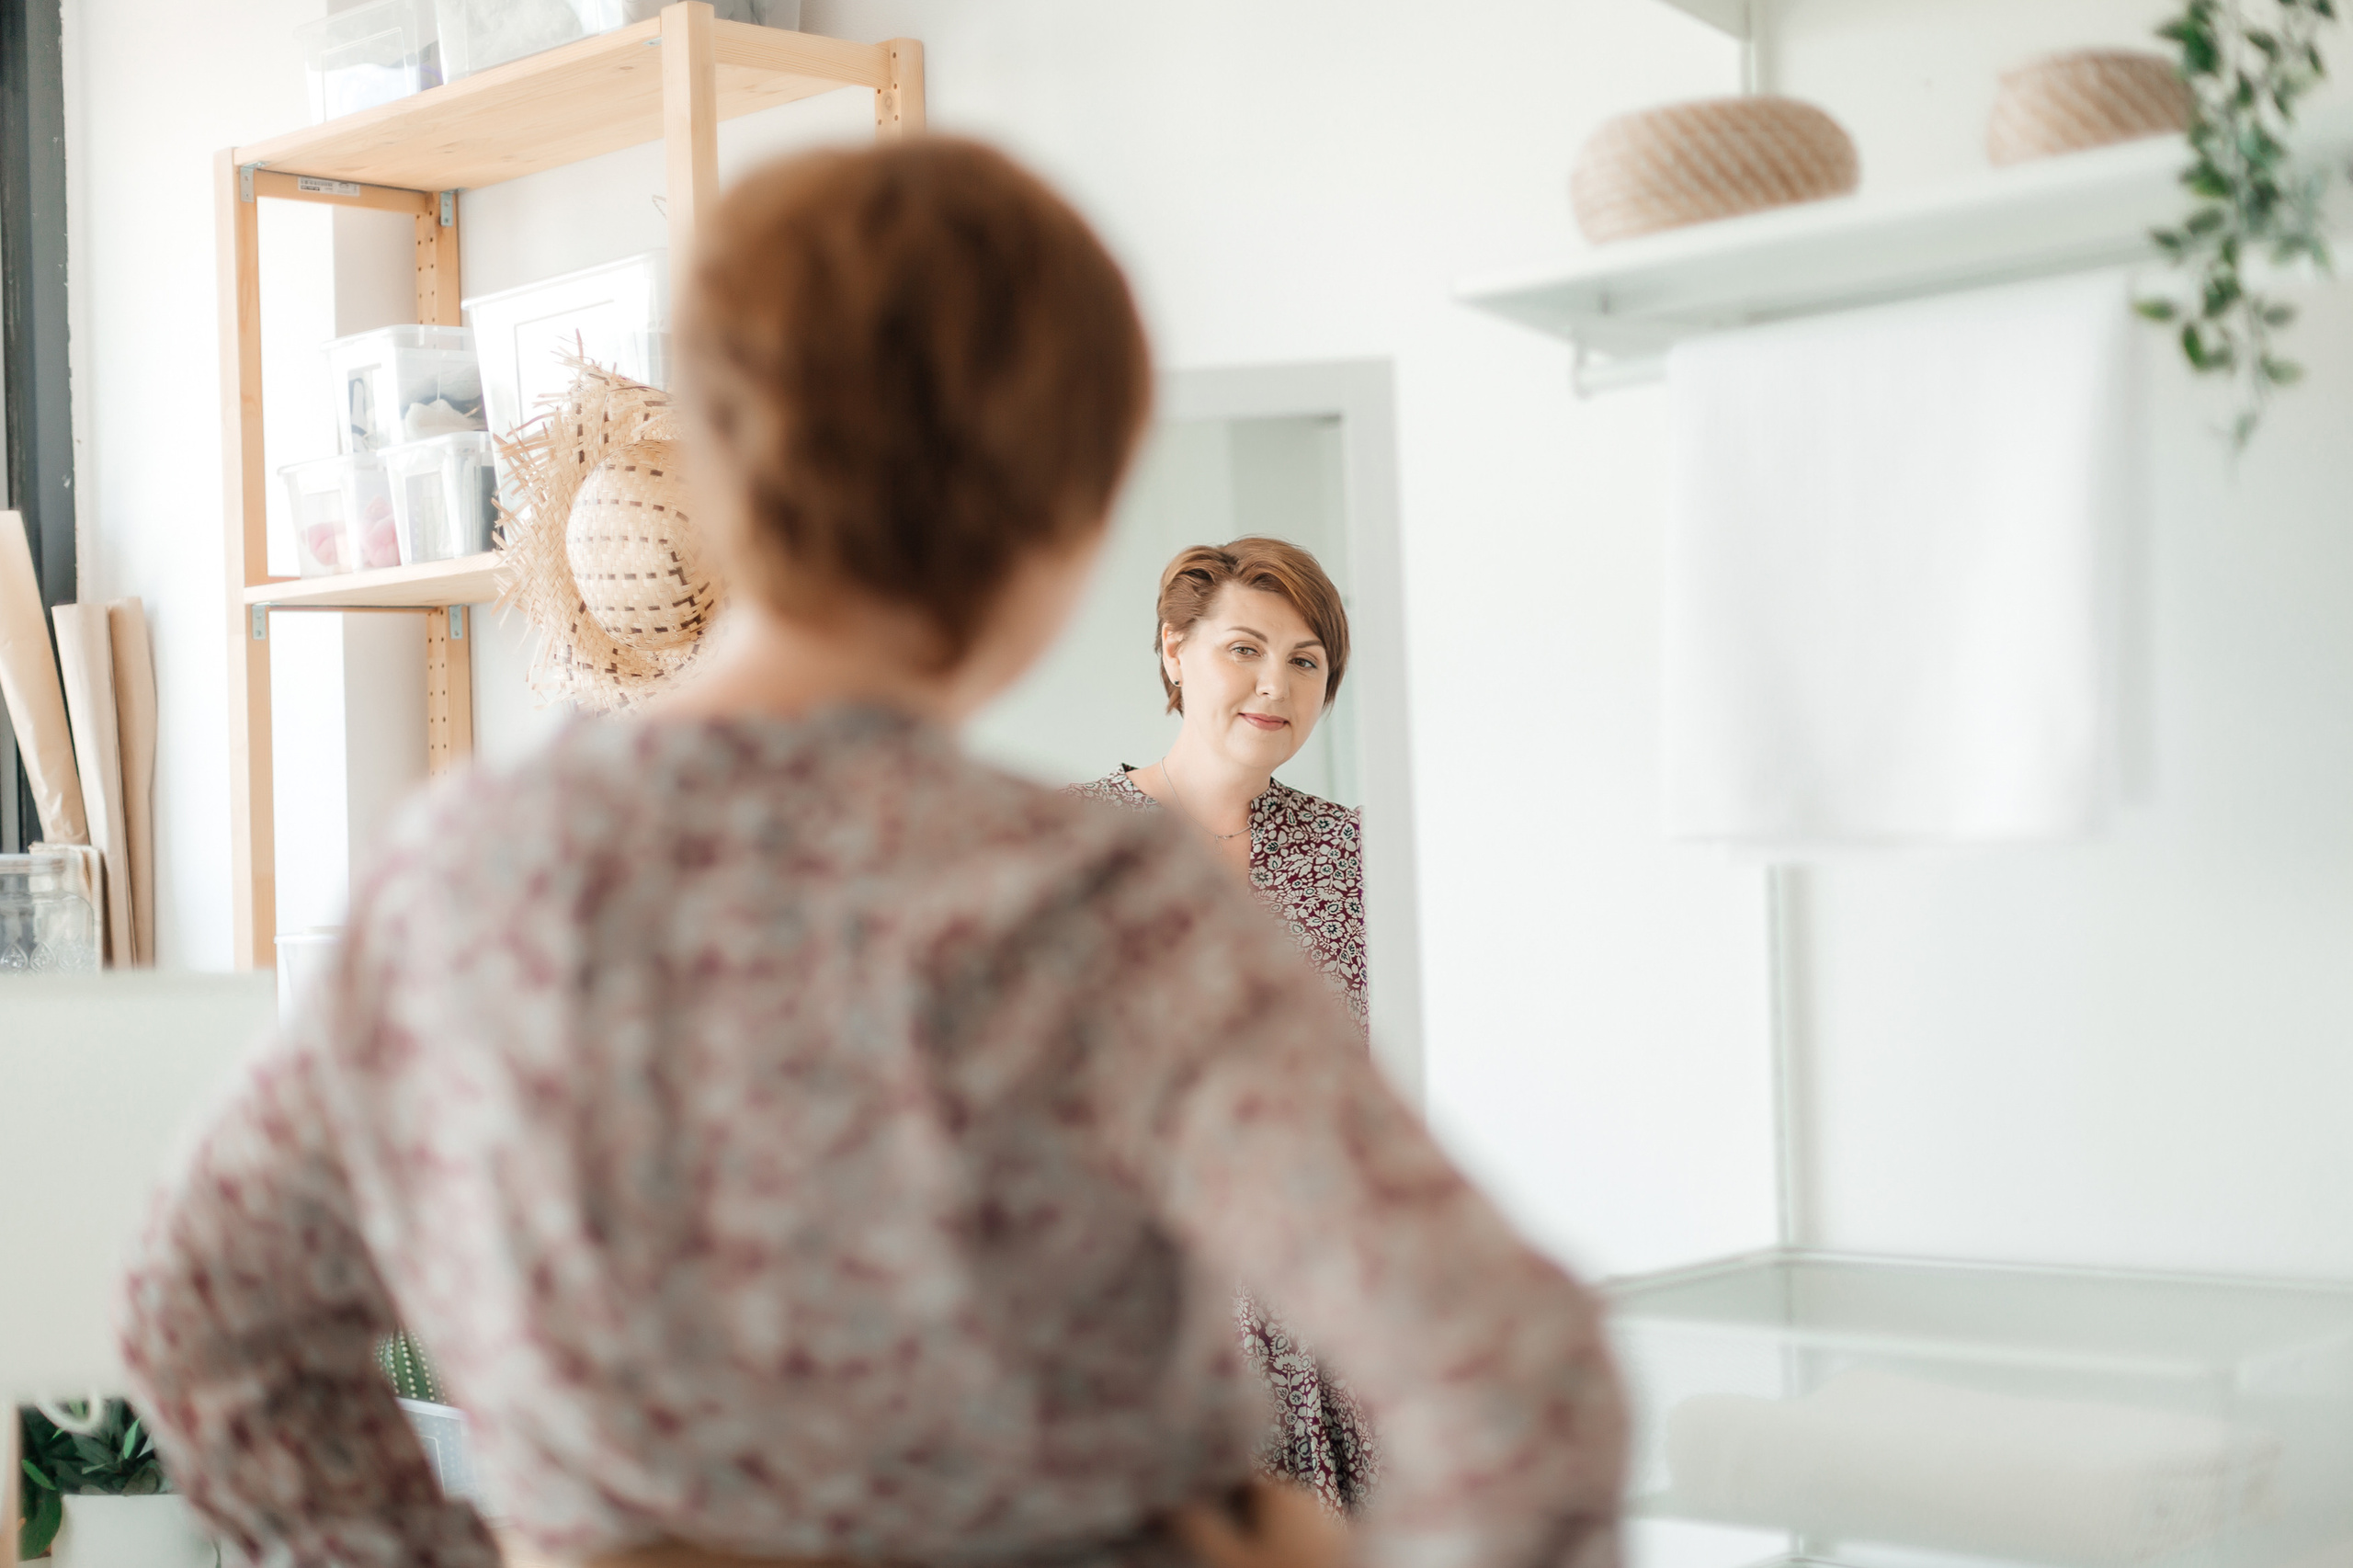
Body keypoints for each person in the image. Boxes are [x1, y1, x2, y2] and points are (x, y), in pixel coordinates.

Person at [118, 138, 1624, 1568]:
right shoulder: (1102, 905)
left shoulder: (464, 874)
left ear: (713, 457)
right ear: (1075, 519)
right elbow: (1520, 1388)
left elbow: (207, 1318)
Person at [1069, 540, 1375, 1511]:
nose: (1273, 684)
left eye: (1304, 660)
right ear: (1174, 651)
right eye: (1243, 647)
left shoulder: (1358, 853)